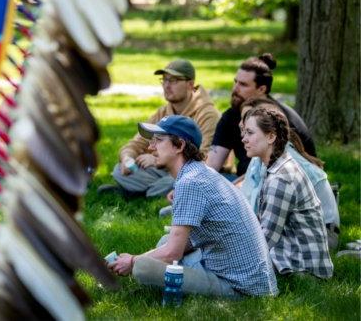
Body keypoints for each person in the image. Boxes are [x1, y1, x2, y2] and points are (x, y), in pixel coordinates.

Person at [109, 115, 278, 298]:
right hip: (253, 280)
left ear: (180, 146)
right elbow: (184, 243)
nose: (151, 147)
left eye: (158, 141)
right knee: (165, 242)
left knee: (143, 268)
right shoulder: (199, 172)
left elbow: (173, 252)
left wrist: (133, 261)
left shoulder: (190, 182)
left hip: (241, 288)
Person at [98, 59, 220, 198]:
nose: (167, 86)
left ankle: (138, 192)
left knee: (180, 181)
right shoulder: (162, 113)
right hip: (165, 171)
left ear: (190, 84)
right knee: (120, 170)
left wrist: (156, 160)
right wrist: (127, 159)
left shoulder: (208, 115)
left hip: (193, 172)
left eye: (174, 81)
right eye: (164, 80)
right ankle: (153, 191)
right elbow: (137, 143)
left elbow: (204, 158)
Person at [241, 107, 333, 278]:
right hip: (290, 256)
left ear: (271, 137)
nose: (243, 139)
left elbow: (265, 239)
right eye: (244, 133)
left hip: (303, 269)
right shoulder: (276, 165)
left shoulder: (281, 178)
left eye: (250, 133)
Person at [206, 53, 316, 179]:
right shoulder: (231, 115)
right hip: (248, 179)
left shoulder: (278, 120)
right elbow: (211, 166)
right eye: (235, 82)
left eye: (243, 84)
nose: (235, 89)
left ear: (262, 89)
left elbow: (274, 171)